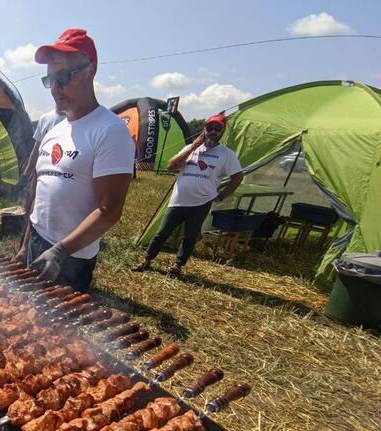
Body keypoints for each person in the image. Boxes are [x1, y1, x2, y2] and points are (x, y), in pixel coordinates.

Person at [19, 28, 134, 292]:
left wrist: (61, 251)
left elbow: (110, 211)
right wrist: (26, 243)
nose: (56, 88)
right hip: (38, 239)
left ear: (90, 70)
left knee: (57, 331)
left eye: (63, 76)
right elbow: (40, 194)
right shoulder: (53, 129)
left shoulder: (109, 131)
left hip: (71, 256)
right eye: (50, 80)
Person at [132, 114, 243, 276]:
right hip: (178, 200)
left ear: (222, 131)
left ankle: (178, 266)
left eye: (217, 128)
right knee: (162, 233)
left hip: (201, 203)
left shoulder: (227, 154)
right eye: (210, 128)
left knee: (190, 236)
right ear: (204, 130)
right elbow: (171, 166)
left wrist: (222, 195)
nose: (213, 131)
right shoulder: (191, 148)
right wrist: (192, 147)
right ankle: (147, 260)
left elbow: (238, 177)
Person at [15, 107, 66, 261]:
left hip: (62, 179)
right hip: (40, 176)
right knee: (31, 211)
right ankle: (24, 251)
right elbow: (36, 151)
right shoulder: (46, 118)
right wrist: (27, 174)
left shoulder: (76, 121)